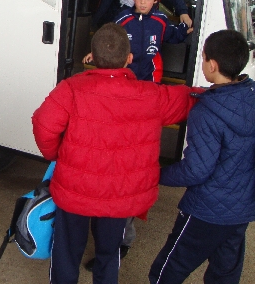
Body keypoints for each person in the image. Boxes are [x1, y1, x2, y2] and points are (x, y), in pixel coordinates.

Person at [32, 23, 201, 284]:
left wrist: (56, 155)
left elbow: (43, 124)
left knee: (66, 251)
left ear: (92, 57)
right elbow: (189, 98)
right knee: (109, 254)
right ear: (129, 58)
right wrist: (223, 89)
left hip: (75, 188)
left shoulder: (71, 88)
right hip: (120, 196)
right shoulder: (151, 95)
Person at [81, 0, 192, 271]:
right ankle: (114, 242)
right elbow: (108, 40)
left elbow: (176, 35)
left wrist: (187, 26)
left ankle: (121, 242)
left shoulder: (161, 22)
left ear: (155, 1)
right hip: (125, 86)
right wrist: (96, 53)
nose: (143, 3)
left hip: (148, 86)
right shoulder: (123, 19)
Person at [149, 30, 255, 284]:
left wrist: (156, 174)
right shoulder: (250, 97)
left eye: (204, 57)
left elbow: (196, 170)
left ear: (213, 65)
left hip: (206, 210)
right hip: (242, 209)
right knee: (225, 273)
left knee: (167, 270)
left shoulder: (205, 112)